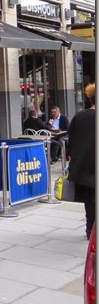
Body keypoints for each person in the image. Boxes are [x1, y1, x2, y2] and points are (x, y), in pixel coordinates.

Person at [66, 83, 95, 240]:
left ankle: (90, 230)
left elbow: (71, 143)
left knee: (90, 201)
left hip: (83, 168)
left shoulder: (80, 116)